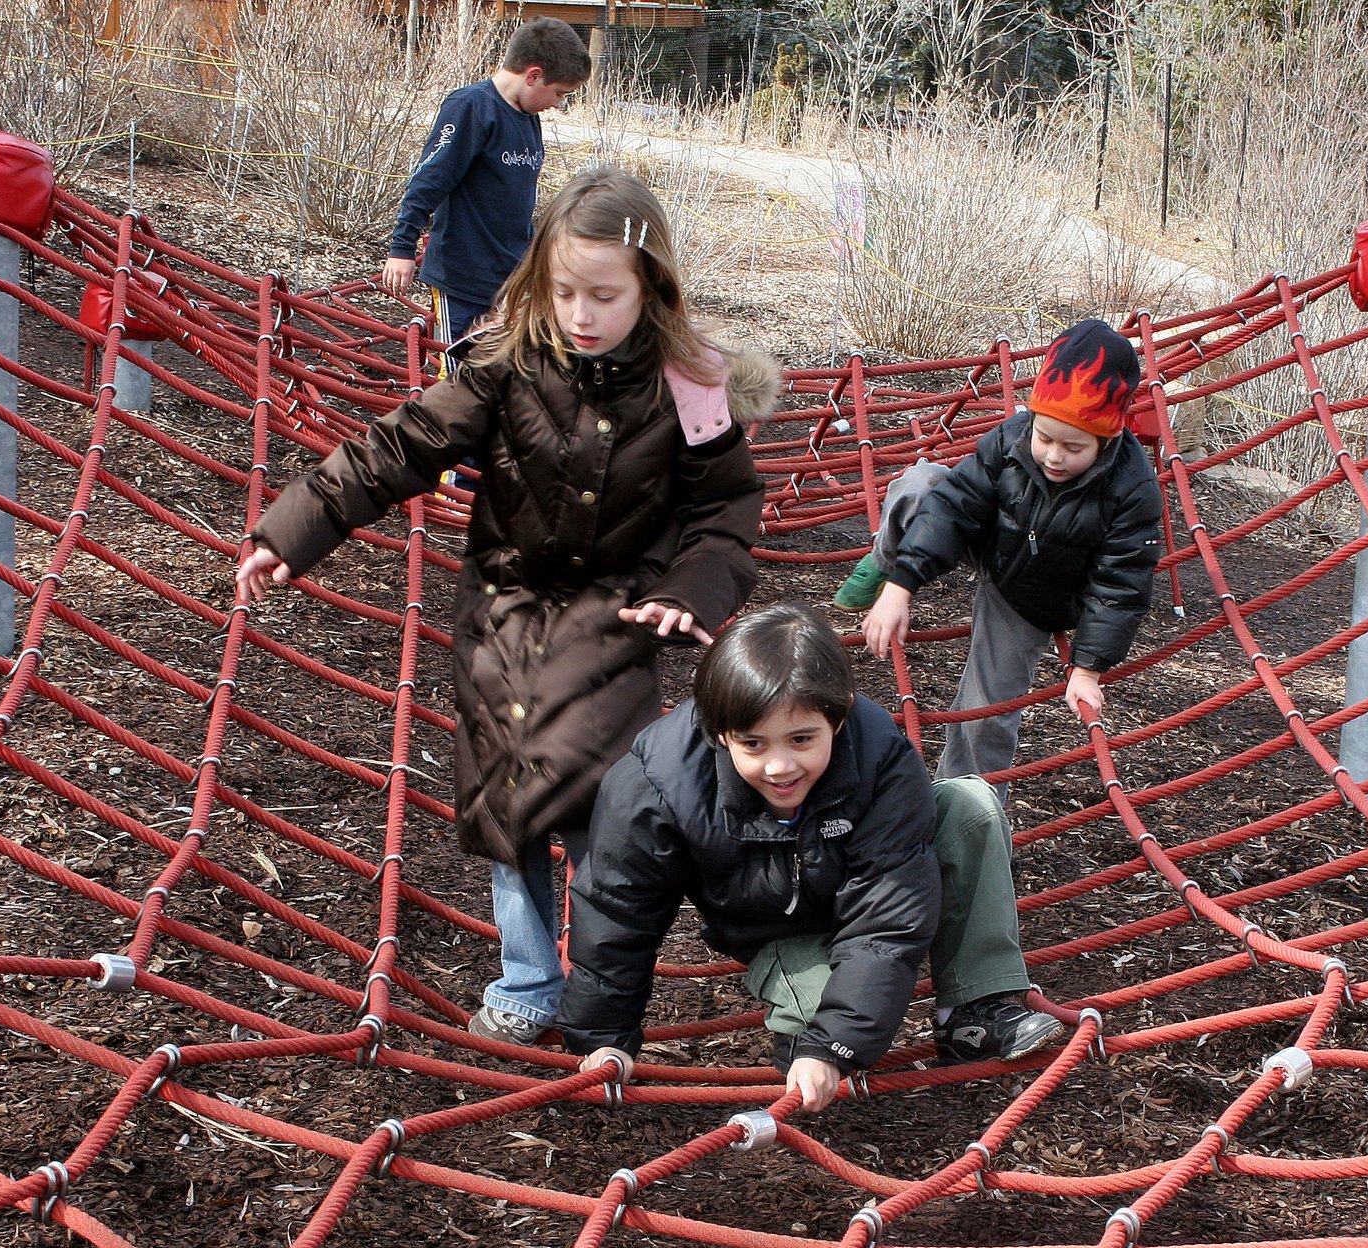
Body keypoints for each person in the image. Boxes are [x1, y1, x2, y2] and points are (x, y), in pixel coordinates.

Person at [239, 169, 778, 1046]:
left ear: (652, 289)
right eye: (564, 290)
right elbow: (400, 447)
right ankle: (529, 980)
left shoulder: (688, 385)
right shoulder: (505, 358)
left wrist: (690, 591)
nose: (581, 313)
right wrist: (290, 533)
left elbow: (726, 513)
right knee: (506, 798)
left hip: (617, 612)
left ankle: (598, 991)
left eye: (605, 294)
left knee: (597, 798)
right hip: (503, 604)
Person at [556, 604, 1067, 1113]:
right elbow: (618, 908)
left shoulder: (880, 758)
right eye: (753, 745)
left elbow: (888, 907)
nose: (780, 766)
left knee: (968, 805)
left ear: (839, 716)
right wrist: (604, 1036)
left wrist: (836, 1042)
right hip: (774, 927)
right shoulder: (658, 783)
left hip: (862, 900)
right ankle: (801, 1018)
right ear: (719, 731)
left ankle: (975, 1007)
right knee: (818, 1024)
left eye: (802, 740)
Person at [832, 319, 1162, 783]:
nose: (1052, 456)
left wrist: (1087, 668)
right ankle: (885, 562)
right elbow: (955, 506)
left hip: (1035, 590)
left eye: (1073, 447)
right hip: (995, 538)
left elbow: (1121, 583)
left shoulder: (1131, 488)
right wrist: (901, 585)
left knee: (985, 709)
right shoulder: (1011, 438)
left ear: (1107, 439)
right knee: (921, 483)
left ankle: (965, 809)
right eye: (1045, 437)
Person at [380, 19, 592, 347]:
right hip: (463, 275)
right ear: (533, 75)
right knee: (458, 373)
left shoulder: (528, 117)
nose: (558, 103)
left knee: (502, 368)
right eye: (559, 92)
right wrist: (401, 247)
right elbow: (430, 179)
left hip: (508, 275)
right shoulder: (471, 107)